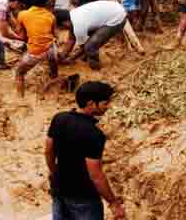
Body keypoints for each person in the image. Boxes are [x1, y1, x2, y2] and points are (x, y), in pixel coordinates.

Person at [45, 81, 126, 220]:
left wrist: (54, 173)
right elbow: (96, 175)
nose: (108, 107)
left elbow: (48, 151)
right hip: (84, 197)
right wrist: (113, 203)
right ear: (91, 104)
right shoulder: (94, 134)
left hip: (59, 190)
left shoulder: (59, 118)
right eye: (105, 103)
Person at [14, 0, 63, 98]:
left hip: (36, 51)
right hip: (51, 48)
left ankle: (20, 99)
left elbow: (21, 36)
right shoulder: (51, 16)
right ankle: (54, 78)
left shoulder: (22, 14)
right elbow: (56, 35)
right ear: (47, 3)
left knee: (19, 73)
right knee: (52, 60)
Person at [55, 1, 127, 70]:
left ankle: (95, 67)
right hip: (114, 8)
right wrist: (63, 55)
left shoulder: (78, 25)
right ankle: (86, 56)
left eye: (61, 27)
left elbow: (85, 47)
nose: (63, 29)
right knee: (88, 45)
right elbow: (71, 39)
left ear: (65, 23)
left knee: (90, 46)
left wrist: (71, 59)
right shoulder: (73, 15)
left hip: (117, 17)